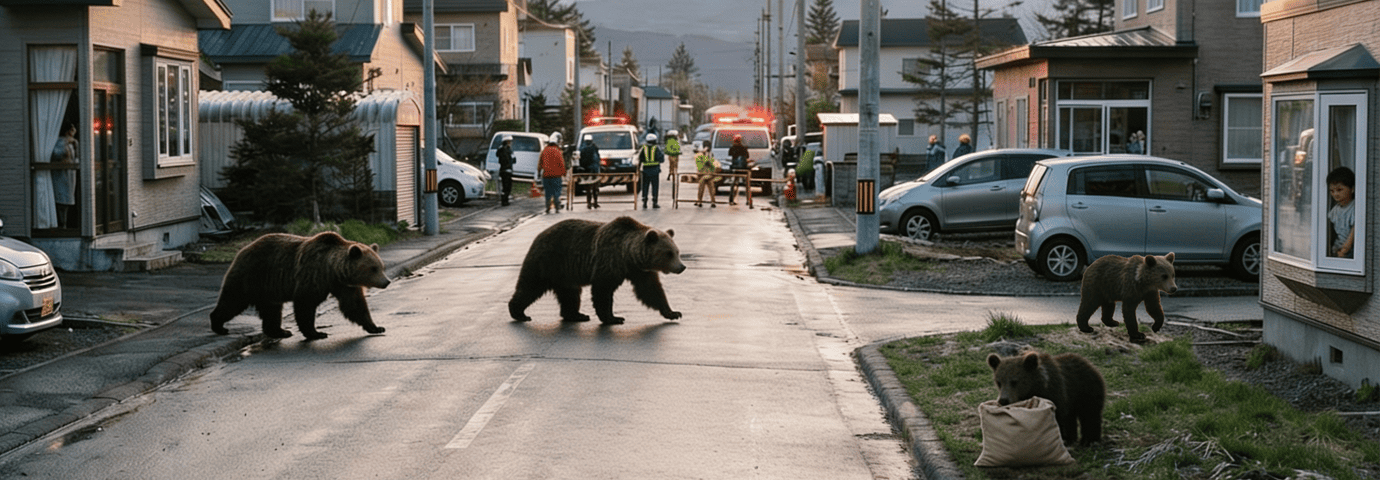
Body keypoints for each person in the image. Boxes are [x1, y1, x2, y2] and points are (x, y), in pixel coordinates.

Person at [51, 122, 78, 227]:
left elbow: (75, 159)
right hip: (62, 174)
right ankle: (62, 224)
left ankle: (64, 223)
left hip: (69, 174)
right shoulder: (60, 142)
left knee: (66, 199)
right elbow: (56, 154)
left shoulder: (72, 143)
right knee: (61, 199)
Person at [1327, 166, 1356, 258]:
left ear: (1352, 189)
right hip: (1337, 248)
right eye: (1332, 191)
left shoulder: (1354, 207)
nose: (1335, 194)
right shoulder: (1335, 209)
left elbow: (1355, 229)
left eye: (1339, 190)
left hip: (1349, 251)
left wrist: (1345, 249)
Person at [538, 132, 566, 214]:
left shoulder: (544, 151)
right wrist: (564, 173)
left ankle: (548, 208)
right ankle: (557, 208)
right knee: (556, 192)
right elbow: (561, 163)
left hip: (546, 176)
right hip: (556, 176)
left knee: (548, 193)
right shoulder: (558, 151)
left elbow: (540, 163)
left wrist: (539, 171)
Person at [638, 133, 665, 209]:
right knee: (655, 186)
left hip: (646, 170)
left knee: (645, 186)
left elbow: (640, 159)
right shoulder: (657, 148)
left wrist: (638, 169)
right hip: (655, 170)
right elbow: (662, 159)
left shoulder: (644, 148)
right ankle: (654, 202)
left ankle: (645, 202)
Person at [727, 134, 751, 205]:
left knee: (734, 181)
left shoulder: (732, 148)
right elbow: (747, 157)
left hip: (735, 168)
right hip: (744, 168)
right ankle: (748, 200)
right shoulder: (744, 148)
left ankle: (732, 198)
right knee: (747, 183)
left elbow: (730, 156)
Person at [579, 134, 601, 209]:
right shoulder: (594, 147)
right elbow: (597, 159)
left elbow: (580, 160)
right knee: (595, 187)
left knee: (588, 188)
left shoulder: (582, 148)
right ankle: (595, 202)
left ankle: (589, 203)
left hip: (586, 170)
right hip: (594, 171)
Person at [694, 140, 719, 207]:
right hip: (702, 173)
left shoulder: (711, 155)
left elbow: (712, 165)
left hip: (709, 174)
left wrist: (707, 156)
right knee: (705, 183)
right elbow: (700, 165)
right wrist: (704, 155)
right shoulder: (699, 155)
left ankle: (709, 201)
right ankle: (700, 200)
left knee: (707, 184)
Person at [496, 135, 515, 206]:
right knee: (507, 186)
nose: (510, 143)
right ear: (507, 142)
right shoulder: (507, 150)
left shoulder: (501, 150)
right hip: (507, 170)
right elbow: (512, 160)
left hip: (502, 170)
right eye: (509, 142)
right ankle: (505, 201)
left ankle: (504, 200)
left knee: (505, 186)